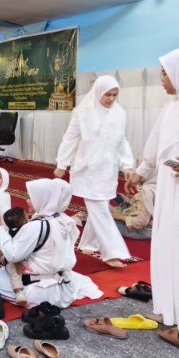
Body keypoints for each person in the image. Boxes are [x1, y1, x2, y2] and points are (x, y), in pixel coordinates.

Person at [125, 48, 179, 352]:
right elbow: (155, 147)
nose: (162, 80)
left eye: (166, 74)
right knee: (172, 251)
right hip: (172, 190)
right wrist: (139, 174)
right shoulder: (171, 108)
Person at [54, 75, 135, 268]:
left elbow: (122, 141)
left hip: (108, 170)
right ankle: (112, 252)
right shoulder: (82, 112)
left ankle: (88, 244)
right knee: (99, 209)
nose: (111, 99)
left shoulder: (119, 113)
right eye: (107, 94)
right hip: (87, 170)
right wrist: (62, 164)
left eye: (114, 95)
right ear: (98, 92)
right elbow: (70, 138)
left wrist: (127, 165)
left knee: (102, 206)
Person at [0, 178, 102, 308]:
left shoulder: (35, 226)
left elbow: (12, 255)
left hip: (40, 293)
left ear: (43, 200)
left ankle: (20, 294)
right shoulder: (64, 220)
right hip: (65, 289)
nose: (26, 201)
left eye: (30, 197)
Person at [2, 207, 30, 306]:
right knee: (15, 272)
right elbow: (11, 252)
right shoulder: (14, 234)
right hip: (12, 259)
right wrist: (17, 262)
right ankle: (19, 293)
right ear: (23, 220)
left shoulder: (27, 228)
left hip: (22, 257)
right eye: (25, 215)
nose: (28, 216)